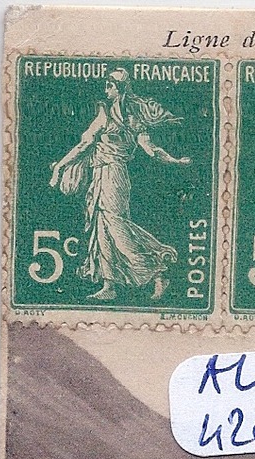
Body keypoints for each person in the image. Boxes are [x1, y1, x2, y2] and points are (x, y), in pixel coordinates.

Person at [50, 69, 191, 302]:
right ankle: (110, 285)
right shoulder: (120, 117)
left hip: (113, 175)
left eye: (109, 84)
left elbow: (83, 147)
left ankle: (157, 271)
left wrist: (59, 168)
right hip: (102, 174)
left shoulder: (115, 117)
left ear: (119, 88)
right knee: (103, 228)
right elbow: (150, 150)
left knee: (116, 227)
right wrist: (174, 160)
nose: (106, 88)